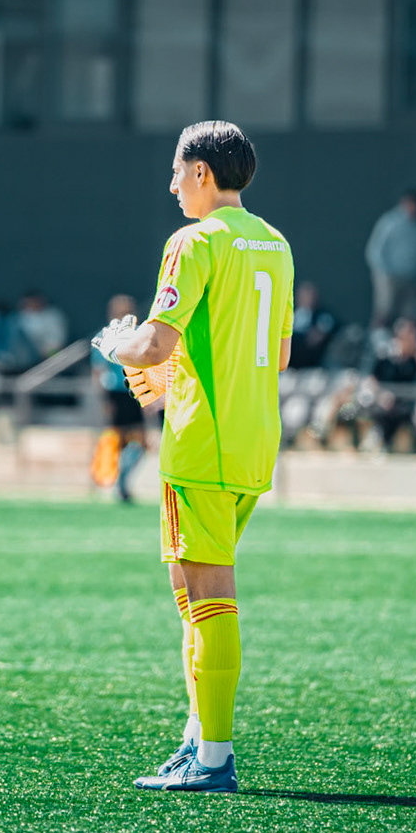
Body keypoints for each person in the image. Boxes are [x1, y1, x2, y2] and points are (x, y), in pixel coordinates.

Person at [92, 120, 293, 795]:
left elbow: (152, 345)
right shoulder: (275, 243)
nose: (172, 183)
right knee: (195, 595)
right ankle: (196, 740)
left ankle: (213, 758)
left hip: (201, 442)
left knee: (207, 597)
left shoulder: (194, 241)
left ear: (203, 172)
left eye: (177, 171)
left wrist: (114, 345)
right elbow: (279, 354)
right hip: (254, 439)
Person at [90, 294, 149, 504]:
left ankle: (123, 478)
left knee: (142, 442)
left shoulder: (139, 335)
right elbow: (98, 371)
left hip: (135, 392)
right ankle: (118, 482)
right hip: (116, 393)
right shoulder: (105, 336)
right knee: (121, 441)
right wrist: (104, 400)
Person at [362, 318, 416, 451]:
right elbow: (372, 379)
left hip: (410, 402)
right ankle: (380, 443)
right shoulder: (385, 355)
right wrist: (381, 395)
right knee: (383, 413)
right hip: (385, 401)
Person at [365, 191, 416, 327]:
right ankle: (377, 341)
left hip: (412, 278)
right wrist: (383, 273)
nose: (413, 209)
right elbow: (374, 250)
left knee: (411, 315)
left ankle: (407, 345)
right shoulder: (389, 223)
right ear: (403, 204)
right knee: (384, 311)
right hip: (389, 277)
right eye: (410, 205)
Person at [289, 282, 337, 369]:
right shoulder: (289, 314)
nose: (305, 298)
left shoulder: (322, 315)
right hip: (289, 363)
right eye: (302, 295)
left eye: (308, 295)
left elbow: (315, 338)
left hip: (312, 365)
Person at [16, 289, 68, 359]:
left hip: (51, 354)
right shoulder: (20, 318)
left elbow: (58, 341)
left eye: (34, 302)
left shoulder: (53, 315)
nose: (32, 304)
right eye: (28, 302)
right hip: (24, 358)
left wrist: (49, 353)